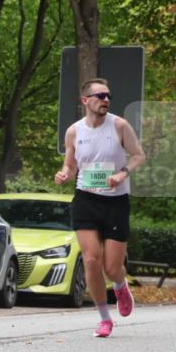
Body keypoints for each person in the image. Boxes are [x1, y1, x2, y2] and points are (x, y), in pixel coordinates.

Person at [55, 78, 146, 338]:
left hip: (115, 201)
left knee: (111, 268)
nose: (106, 100)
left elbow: (139, 155)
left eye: (108, 96)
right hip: (86, 199)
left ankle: (120, 285)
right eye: (100, 96)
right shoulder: (74, 131)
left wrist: (123, 173)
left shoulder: (119, 125)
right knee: (91, 260)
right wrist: (63, 174)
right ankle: (105, 318)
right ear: (86, 100)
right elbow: (70, 166)